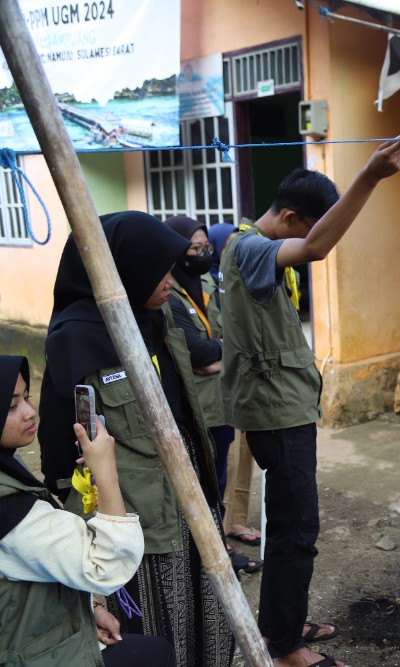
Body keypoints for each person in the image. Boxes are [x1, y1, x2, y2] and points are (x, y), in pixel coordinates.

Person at [220, 135, 400, 667]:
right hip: (277, 417)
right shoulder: (252, 249)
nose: (313, 239)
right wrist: (370, 175)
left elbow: (311, 243)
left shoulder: (252, 250)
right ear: (288, 215)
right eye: (310, 223)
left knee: (292, 526)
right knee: (295, 530)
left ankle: (283, 622)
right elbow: (316, 247)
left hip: (286, 410)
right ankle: (283, 647)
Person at [38, 212, 235, 667]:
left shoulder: (155, 317)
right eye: (159, 270)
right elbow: (62, 454)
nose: (172, 279)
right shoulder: (78, 340)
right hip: (136, 518)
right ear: (124, 271)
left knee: (206, 612)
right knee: (156, 625)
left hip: (188, 496)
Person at [0, 355, 176, 667]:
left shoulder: (8, 470)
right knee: (155, 653)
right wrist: (106, 472)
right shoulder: (8, 506)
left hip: (28, 639)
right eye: (11, 405)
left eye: (27, 397)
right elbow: (105, 566)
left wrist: (87, 610)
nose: (29, 412)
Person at [163, 216, 262, 571]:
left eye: (206, 247)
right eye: (195, 247)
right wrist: (221, 351)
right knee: (200, 480)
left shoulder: (206, 280)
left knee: (219, 477)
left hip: (222, 403)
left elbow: (228, 339)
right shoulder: (168, 294)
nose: (204, 253)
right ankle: (207, 552)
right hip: (196, 409)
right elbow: (199, 355)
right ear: (177, 250)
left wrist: (219, 351)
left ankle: (218, 548)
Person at [207, 222, 263, 547]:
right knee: (225, 456)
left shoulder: (237, 280)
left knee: (245, 452)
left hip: (243, 377)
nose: (233, 251)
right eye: (227, 245)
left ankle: (236, 519)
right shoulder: (206, 284)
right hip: (220, 384)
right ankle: (221, 522)